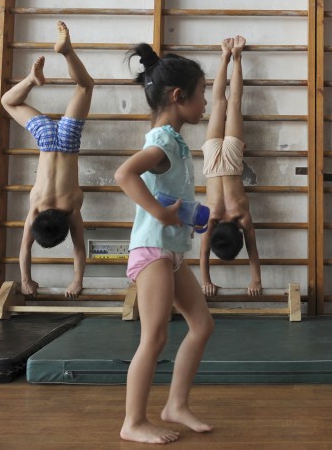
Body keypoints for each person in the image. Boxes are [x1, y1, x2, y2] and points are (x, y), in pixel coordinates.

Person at [115, 44, 214, 444]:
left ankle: (175, 405)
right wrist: (159, 212)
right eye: (202, 93)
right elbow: (125, 174)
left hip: (170, 249)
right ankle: (133, 422)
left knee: (202, 325)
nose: (205, 101)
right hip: (153, 249)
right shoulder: (162, 141)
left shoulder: (174, 139)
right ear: (179, 96)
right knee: (154, 336)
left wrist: (182, 215)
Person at [0, 21, 94, 298]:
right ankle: (30, 80)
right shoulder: (37, 209)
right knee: (7, 103)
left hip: (67, 141)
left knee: (86, 87)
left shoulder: (71, 209)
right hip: (46, 140)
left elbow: (79, 248)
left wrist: (77, 281)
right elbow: (25, 248)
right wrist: (26, 279)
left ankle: (66, 53)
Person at [199, 35, 262, 298]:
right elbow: (204, 252)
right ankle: (228, 56)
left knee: (229, 103)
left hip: (230, 163)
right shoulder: (212, 220)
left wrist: (255, 279)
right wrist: (206, 279)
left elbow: (251, 249)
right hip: (217, 163)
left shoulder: (239, 218)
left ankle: (234, 55)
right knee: (224, 104)